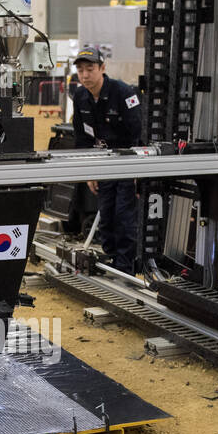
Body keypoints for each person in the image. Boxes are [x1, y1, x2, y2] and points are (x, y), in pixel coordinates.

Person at [70, 45, 144, 275]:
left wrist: (136, 174)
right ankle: (113, 260)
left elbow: (138, 134)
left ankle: (125, 268)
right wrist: (89, 172)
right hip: (103, 164)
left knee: (124, 216)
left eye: (89, 69)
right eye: (80, 70)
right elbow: (82, 138)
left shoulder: (124, 93)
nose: (84, 75)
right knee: (106, 216)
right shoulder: (80, 96)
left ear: (102, 68)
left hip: (126, 163)